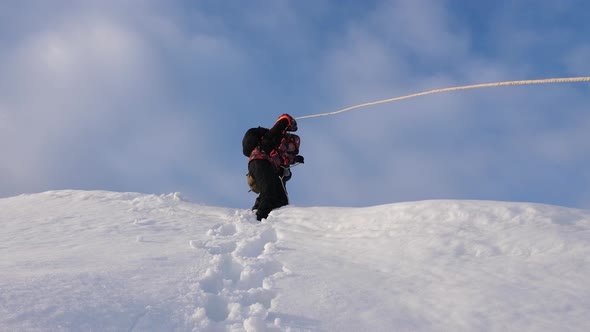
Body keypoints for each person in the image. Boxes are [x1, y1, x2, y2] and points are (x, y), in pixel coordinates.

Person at [247, 114, 303, 221]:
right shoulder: (274, 139)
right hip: (259, 160)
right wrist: (287, 120)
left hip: (265, 164)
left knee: (280, 198)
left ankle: (261, 213)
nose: (291, 150)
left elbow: (284, 167)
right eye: (292, 145)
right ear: (288, 140)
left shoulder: (280, 156)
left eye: (293, 150)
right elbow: (278, 128)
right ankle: (258, 219)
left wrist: (295, 160)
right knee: (269, 191)